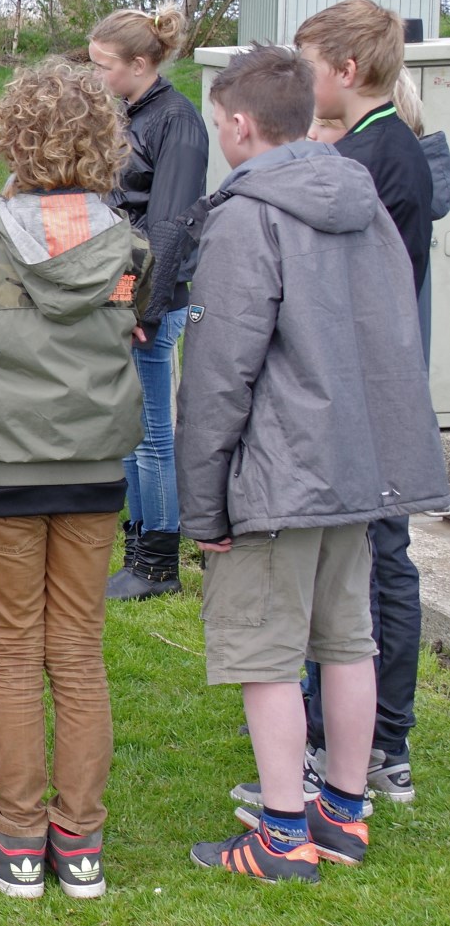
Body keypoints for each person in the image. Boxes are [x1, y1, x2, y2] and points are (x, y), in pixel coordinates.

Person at [180, 45, 447, 882]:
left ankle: (281, 832)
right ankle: (343, 813)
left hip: (279, 469)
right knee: (345, 638)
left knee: (266, 650)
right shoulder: (362, 199)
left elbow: (219, 370)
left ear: (237, 123)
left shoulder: (243, 213)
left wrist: (201, 506)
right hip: (355, 460)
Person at [0, 63, 150, 902]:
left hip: (1, 462)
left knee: (13, 654)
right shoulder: (126, 243)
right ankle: (81, 843)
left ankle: (20, 842)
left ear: (11, 137)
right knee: (77, 648)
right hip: (94, 462)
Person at [292, 0, 430, 808]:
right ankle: (360, 736)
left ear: (345, 71)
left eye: (310, 63)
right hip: (370, 385)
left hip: (369, 394)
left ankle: (375, 741)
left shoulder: (378, 157)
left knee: (375, 568)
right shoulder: (376, 147)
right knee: (367, 566)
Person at [87, 6, 206, 601]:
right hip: (126, 290)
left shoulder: (178, 122)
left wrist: (143, 310)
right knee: (132, 427)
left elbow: (167, 228)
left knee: (153, 431)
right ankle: (137, 542)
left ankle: (158, 561)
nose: (97, 76)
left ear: (140, 64)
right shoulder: (133, 113)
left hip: (153, 297)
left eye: (104, 66)